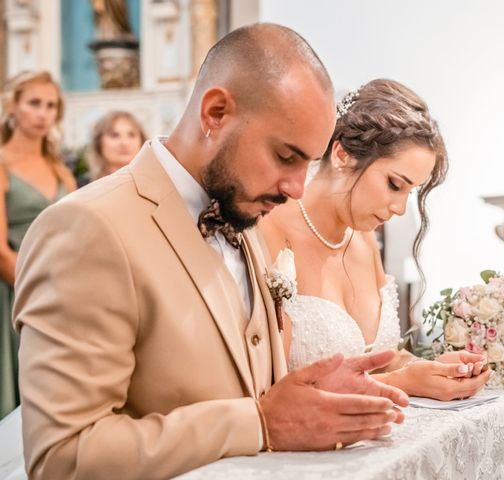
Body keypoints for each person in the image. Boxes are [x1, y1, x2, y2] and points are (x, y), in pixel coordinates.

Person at [13, 24, 409, 480]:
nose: (296, 188)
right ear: (216, 112)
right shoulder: (87, 228)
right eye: (285, 156)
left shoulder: (244, 212)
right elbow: (64, 457)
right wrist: (260, 423)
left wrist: (311, 394)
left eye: (308, 163)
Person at [259, 79, 490, 401]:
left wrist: (434, 370)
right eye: (395, 185)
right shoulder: (269, 231)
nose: (398, 208)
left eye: (410, 193)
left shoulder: (364, 240)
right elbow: (271, 386)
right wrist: (402, 382)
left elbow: (380, 361)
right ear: (342, 154)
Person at [0, 71, 76, 419]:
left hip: (60, 291)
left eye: (50, 106)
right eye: (34, 103)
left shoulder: (60, 171)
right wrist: (43, 295)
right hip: (14, 291)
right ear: (12, 107)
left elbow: (79, 237)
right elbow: (0, 252)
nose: (43, 113)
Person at [88, 110, 146, 180]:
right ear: (99, 142)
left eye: (131, 135)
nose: (124, 142)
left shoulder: (158, 183)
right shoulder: (81, 188)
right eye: (114, 135)